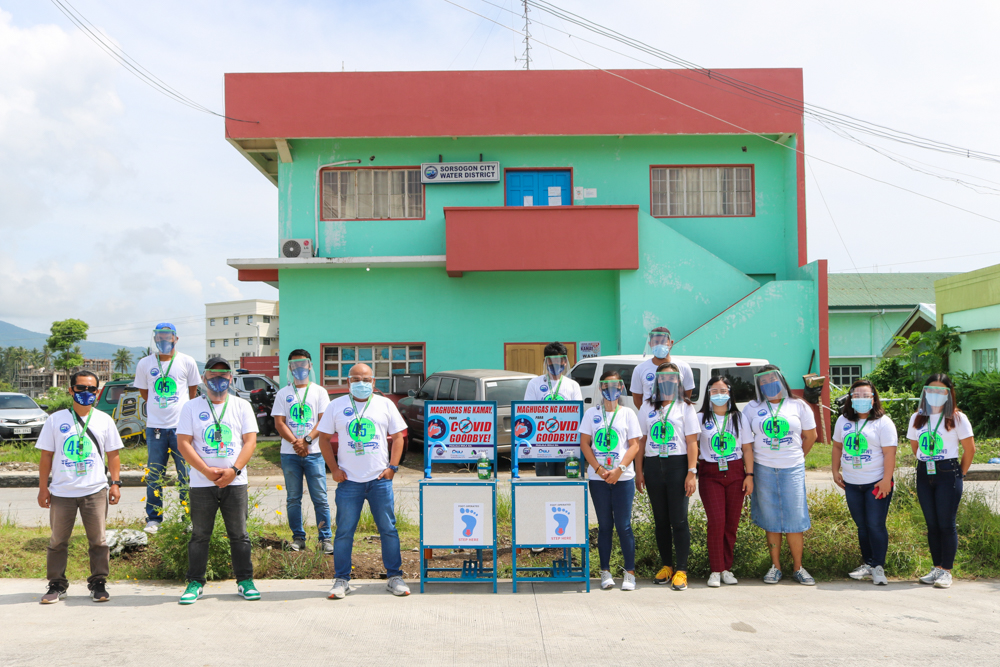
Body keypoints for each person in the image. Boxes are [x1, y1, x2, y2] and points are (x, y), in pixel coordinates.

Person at [317, 363, 410, 599]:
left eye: (366, 379)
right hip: (349, 482)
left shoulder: (385, 404)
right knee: (344, 532)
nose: (361, 383)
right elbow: (324, 440)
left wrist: (393, 468)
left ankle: (394, 577)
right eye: (356, 379)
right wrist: (334, 469)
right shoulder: (336, 406)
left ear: (373, 382)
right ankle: (341, 580)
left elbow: (399, 437)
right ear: (348, 382)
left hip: (379, 480)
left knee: (388, 529)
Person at [176, 357, 260, 605]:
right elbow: (183, 443)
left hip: (235, 482)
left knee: (240, 534)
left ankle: (245, 581)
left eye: (224, 376)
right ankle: (195, 582)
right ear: (203, 379)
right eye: (213, 376)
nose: (218, 381)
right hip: (202, 484)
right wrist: (206, 471)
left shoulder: (241, 406)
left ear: (231, 379)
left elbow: (250, 441)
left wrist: (233, 470)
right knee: (200, 535)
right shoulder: (191, 407)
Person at [36, 371, 124, 603]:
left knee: (98, 541)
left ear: (97, 392)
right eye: (80, 388)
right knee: (57, 541)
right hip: (62, 492)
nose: (86, 393)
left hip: (95, 490)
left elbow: (113, 455)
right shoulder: (56, 420)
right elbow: (46, 456)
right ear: (71, 390)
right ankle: (57, 584)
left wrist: (115, 484)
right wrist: (43, 488)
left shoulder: (104, 419)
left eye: (91, 389)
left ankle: (98, 582)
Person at [743, 365, 818, 585]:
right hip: (763, 468)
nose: (768, 384)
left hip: (792, 468)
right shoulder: (752, 408)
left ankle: (798, 568)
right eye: (763, 381)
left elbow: (811, 436)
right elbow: (746, 442)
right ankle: (775, 567)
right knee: (771, 520)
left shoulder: (798, 405)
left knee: (795, 519)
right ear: (758, 385)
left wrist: (796, 457)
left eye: (772, 379)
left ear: (782, 380)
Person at [907, 374, 975, 590]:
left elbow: (970, 449)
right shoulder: (917, 417)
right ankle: (936, 567)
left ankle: (946, 570)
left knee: (946, 524)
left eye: (940, 390)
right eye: (931, 390)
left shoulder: (957, 418)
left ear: (948, 393)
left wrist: (959, 473)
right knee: (932, 524)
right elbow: (914, 445)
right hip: (924, 471)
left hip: (948, 471)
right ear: (925, 392)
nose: (935, 394)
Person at [635, 363, 700, 590]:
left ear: (678, 382)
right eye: (662, 378)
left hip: (678, 465)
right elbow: (642, 441)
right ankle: (667, 566)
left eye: (672, 378)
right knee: (660, 520)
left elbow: (692, 442)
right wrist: (638, 471)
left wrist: (692, 472)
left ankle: (681, 570)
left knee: (679, 520)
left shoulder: (685, 407)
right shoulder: (646, 408)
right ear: (656, 382)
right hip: (653, 466)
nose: (667, 382)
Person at [133, 323, 201, 534]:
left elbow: (192, 393)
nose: (163, 340)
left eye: (167, 336)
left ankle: (189, 517)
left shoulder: (187, 361)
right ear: (154, 339)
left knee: (186, 475)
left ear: (175, 339)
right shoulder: (145, 363)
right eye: (159, 336)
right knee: (154, 475)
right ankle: (154, 519)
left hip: (182, 429)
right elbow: (145, 393)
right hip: (155, 429)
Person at [578, 371, 642, 591]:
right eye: (606, 386)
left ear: (621, 388)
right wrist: (598, 468)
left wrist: (619, 469)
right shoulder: (590, 414)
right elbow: (585, 443)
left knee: (624, 526)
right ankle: (605, 572)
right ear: (600, 388)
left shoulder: (628, 414)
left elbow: (634, 445)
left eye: (615, 385)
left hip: (623, 478)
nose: (611, 390)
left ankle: (630, 573)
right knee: (605, 526)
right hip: (598, 479)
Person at [832, 380, 898, 586]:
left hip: (876, 483)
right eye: (856, 396)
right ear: (850, 399)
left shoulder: (883, 423)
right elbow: (836, 447)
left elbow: (890, 453)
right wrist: (835, 470)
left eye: (866, 396)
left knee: (876, 525)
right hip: (852, 484)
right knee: (862, 526)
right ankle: (868, 563)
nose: (861, 399)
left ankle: (878, 567)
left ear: (873, 398)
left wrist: (887, 479)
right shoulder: (843, 421)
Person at [271, 349, 332, 553]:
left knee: (320, 497)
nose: (299, 368)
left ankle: (325, 539)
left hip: (314, 452)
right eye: (295, 365)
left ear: (310, 365)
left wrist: (306, 441)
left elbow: (323, 421)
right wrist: (296, 443)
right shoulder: (283, 393)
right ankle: (298, 537)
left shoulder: (319, 392)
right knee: (293, 498)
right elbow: (279, 423)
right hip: (290, 455)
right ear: (290, 368)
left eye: (303, 364)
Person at [697, 375, 754, 588]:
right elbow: (692, 446)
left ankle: (726, 568)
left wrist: (749, 476)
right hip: (710, 473)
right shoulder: (700, 417)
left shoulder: (739, 418)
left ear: (730, 393)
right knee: (716, 522)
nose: (719, 395)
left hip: (736, 471)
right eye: (714, 391)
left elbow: (747, 448)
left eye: (723, 391)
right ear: (708, 394)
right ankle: (715, 569)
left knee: (731, 524)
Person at [524, 342, 583, 478]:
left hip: (567, 443)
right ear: (546, 362)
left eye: (560, 360)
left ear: (565, 361)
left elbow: (577, 414)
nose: (556, 364)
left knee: (567, 482)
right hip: (542, 443)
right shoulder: (535, 383)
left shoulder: (573, 385)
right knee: (545, 483)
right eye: (552, 361)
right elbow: (528, 412)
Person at [631, 327, 695, 410]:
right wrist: (649, 415)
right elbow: (637, 398)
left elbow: (687, 395)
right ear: (650, 344)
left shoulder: (684, 367)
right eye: (656, 342)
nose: (659, 345)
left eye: (663, 342)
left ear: (671, 343)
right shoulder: (639, 369)